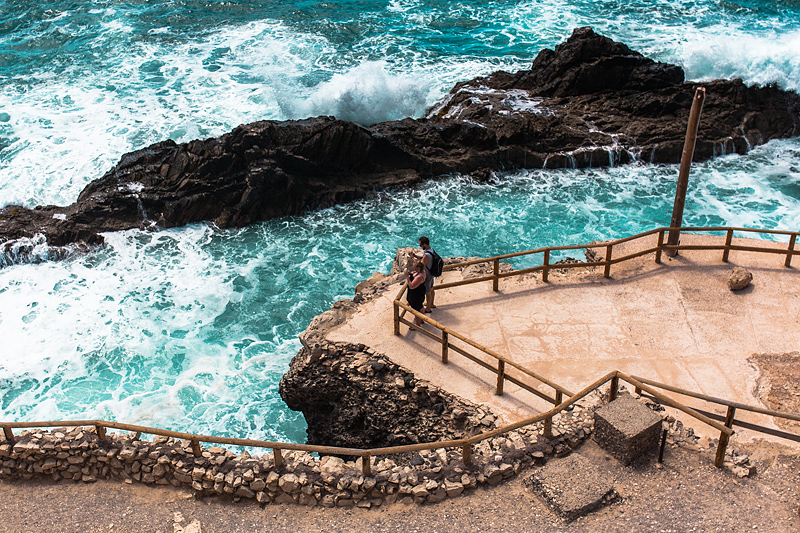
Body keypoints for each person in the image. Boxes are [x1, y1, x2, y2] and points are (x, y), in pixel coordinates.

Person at [412, 236, 437, 313]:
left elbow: (420, 266)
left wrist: (412, 258)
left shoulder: (426, 254)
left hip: (427, 275)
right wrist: (415, 256)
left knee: (427, 291)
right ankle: (431, 303)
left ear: (424, 244)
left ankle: (428, 308)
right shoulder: (431, 250)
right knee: (431, 288)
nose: (420, 246)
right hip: (431, 273)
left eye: (421, 245)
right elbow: (423, 258)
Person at [404, 261, 427, 327]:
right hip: (420, 292)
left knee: (416, 309)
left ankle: (417, 325)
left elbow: (411, 286)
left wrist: (407, 276)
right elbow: (415, 277)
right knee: (420, 306)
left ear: (417, 267)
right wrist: (410, 273)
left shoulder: (419, 277)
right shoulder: (422, 271)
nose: (413, 267)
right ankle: (421, 319)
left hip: (416, 295)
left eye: (414, 266)